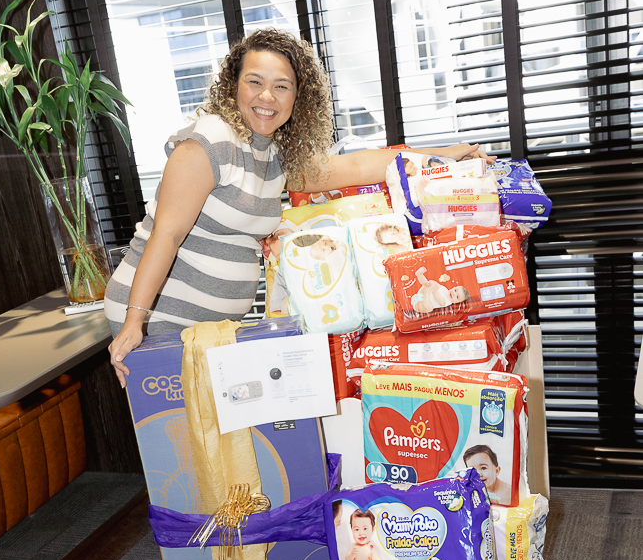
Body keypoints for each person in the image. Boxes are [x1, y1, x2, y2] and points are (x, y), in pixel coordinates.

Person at [105, 27, 493, 386]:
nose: (266, 96)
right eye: (254, 82)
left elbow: (356, 167)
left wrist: (445, 154)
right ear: (233, 86)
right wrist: (134, 320)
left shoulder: (270, 154)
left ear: (298, 97)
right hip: (156, 319)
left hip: (205, 329)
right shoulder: (209, 143)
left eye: (282, 86)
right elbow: (166, 235)